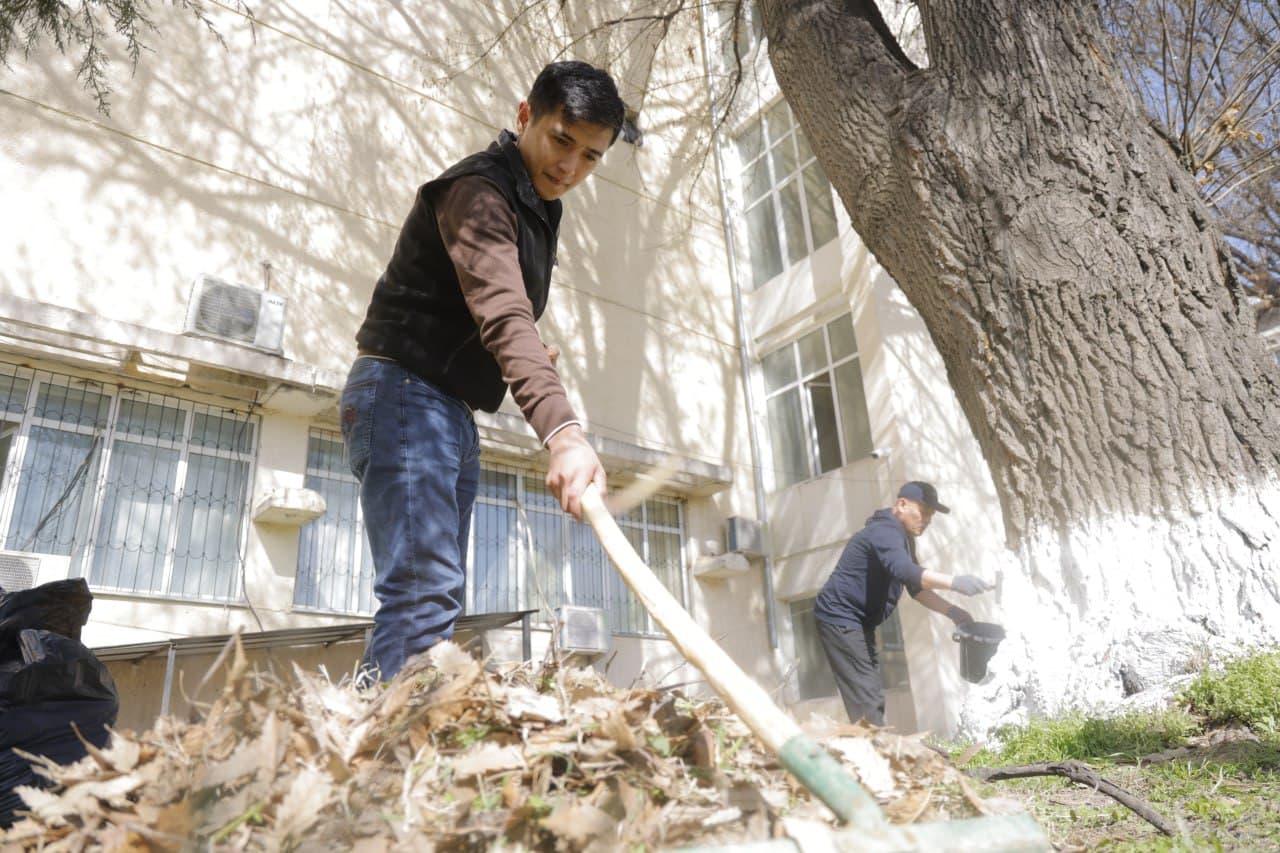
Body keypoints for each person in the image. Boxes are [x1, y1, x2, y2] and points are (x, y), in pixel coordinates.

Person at [341, 60, 626, 680]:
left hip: (445, 410)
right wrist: (564, 433)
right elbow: (503, 314)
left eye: (592, 157)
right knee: (423, 595)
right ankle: (381, 755)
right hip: (404, 398)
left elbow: (492, 317)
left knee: (436, 599)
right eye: (561, 140)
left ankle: (386, 738)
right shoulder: (480, 192)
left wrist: (515, 357)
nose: (571, 167)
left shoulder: (538, 202)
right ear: (525, 115)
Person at [813, 481, 992, 726]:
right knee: (866, 694)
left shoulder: (903, 538)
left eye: (931, 515)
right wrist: (955, 582)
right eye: (924, 512)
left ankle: (877, 747)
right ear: (902, 504)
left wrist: (954, 612)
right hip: (840, 617)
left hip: (857, 622)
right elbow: (907, 571)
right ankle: (878, 753)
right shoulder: (886, 530)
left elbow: (916, 587)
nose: (927, 520)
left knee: (870, 690)